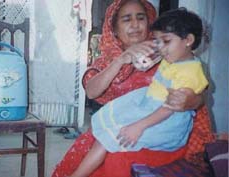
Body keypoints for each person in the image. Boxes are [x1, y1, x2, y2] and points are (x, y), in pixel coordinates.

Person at [52, 0, 215, 176]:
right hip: (119, 125)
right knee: (96, 149)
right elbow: (91, 92)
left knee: (117, 159)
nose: (135, 25)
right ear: (114, 28)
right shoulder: (107, 61)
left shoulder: (166, 55)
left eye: (141, 18)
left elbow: (197, 91)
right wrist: (121, 60)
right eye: (127, 19)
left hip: (158, 131)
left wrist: (191, 100)